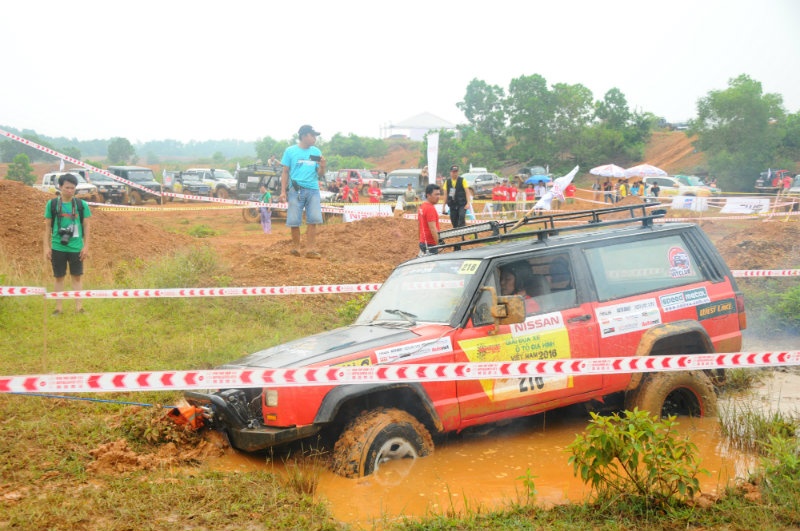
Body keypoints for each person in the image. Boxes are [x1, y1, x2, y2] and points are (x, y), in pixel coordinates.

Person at [44, 173, 92, 314]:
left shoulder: (81, 205)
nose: (70, 190)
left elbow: (87, 226)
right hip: (58, 246)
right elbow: (47, 227)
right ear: (60, 187)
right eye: (67, 187)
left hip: (76, 246)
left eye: (72, 188)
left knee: (76, 276)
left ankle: (79, 307)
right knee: (59, 277)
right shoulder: (52, 204)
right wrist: (46, 247)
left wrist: (86, 246)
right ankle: (58, 308)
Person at [279, 125, 326, 259]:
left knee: (313, 219)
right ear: (304, 135)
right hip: (296, 189)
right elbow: (285, 172)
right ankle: (296, 248)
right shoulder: (290, 151)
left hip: (313, 189)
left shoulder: (316, 152)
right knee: (294, 220)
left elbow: (320, 174)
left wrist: (322, 167)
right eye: (313, 135)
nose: (315, 139)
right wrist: (283, 191)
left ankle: (311, 249)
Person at [418, 183, 441, 256]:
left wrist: (421, 240)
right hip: (431, 244)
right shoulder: (430, 208)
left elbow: (419, 225)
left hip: (423, 242)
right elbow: (433, 228)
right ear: (428, 195)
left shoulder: (422, 206)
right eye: (436, 194)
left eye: (439, 194)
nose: (438, 197)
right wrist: (439, 245)